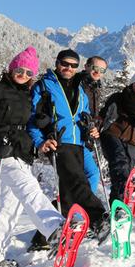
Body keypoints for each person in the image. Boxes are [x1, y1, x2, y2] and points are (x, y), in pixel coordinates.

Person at [0, 47, 65, 267]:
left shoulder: (29, 95)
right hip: (1, 151)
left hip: (23, 153)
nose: (23, 75)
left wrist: (42, 126)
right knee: (29, 188)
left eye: (28, 72)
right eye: (19, 70)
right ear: (11, 69)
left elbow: (30, 124)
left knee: (9, 207)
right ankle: (55, 228)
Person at [28, 49, 106, 237]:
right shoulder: (44, 86)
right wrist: (40, 141)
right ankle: (98, 220)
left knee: (73, 188)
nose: (68, 68)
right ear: (57, 63)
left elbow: (84, 116)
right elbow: (31, 118)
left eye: (73, 65)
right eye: (65, 63)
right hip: (57, 142)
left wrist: (91, 130)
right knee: (77, 181)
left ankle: (43, 237)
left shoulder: (80, 89)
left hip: (78, 142)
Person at [100, 72, 135, 204]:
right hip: (113, 133)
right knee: (120, 162)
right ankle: (120, 199)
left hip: (132, 140)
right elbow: (105, 113)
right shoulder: (118, 98)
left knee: (127, 171)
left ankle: (117, 202)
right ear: (131, 83)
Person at [73, 55, 108, 195]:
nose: (98, 72)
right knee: (89, 174)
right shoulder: (78, 84)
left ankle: (79, 204)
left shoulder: (94, 86)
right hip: (74, 136)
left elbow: (92, 114)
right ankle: (80, 205)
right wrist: (88, 124)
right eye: (95, 68)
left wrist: (95, 127)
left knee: (91, 175)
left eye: (102, 70)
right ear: (86, 66)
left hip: (85, 137)